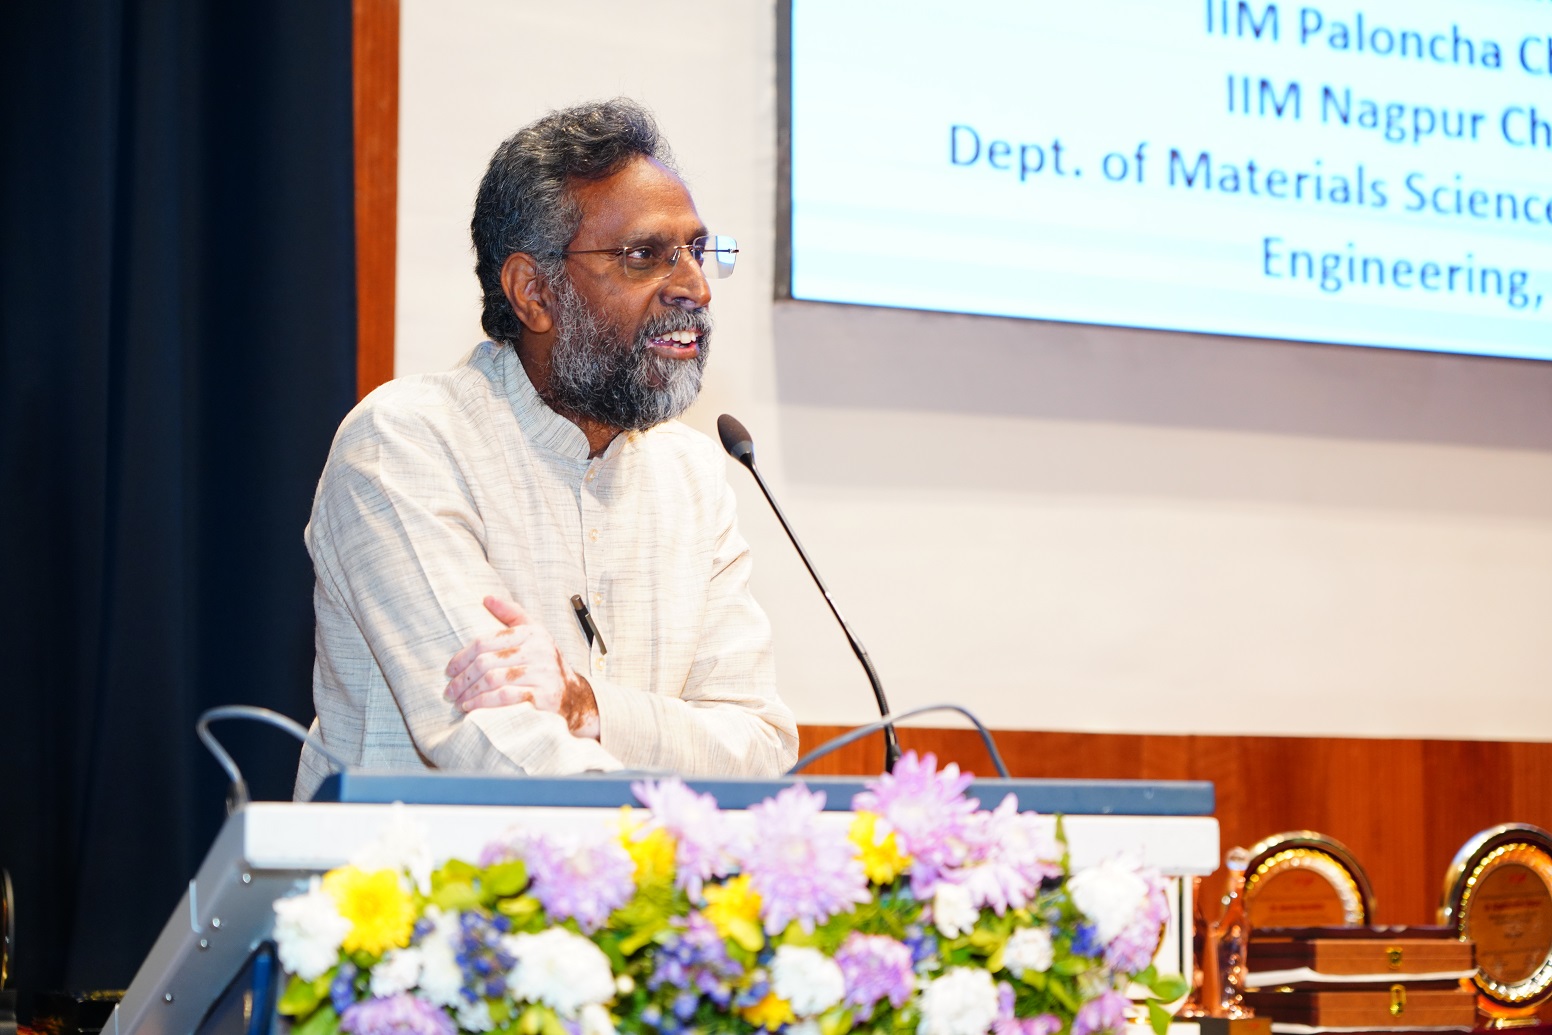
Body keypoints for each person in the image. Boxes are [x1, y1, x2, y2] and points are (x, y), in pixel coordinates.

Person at [292, 99, 797, 800]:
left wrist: (586, 704)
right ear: (533, 293)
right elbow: (493, 738)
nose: (695, 287)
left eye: (696, 251)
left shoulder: (693, 476)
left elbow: (760, 748)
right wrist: (657, 816)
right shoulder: (405, 445)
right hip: (423, 869)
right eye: (645, 255)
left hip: (642, 871)